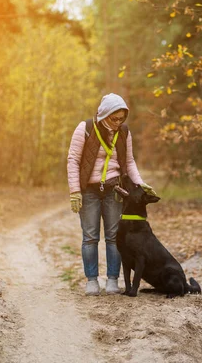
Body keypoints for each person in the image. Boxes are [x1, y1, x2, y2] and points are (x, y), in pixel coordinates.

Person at [67, 93, 156, 296]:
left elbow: (130, 161)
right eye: (114, 118)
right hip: (89, 191)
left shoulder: (124, 132)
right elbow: (73, 160)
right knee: (90, 237)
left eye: (121, 118)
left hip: (115, 190)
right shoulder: (86, 128)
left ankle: (113, 280)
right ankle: (91, 281)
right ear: (104, 115)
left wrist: (140, 184)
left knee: (114, 237)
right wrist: (75, 191)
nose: (118, 123)